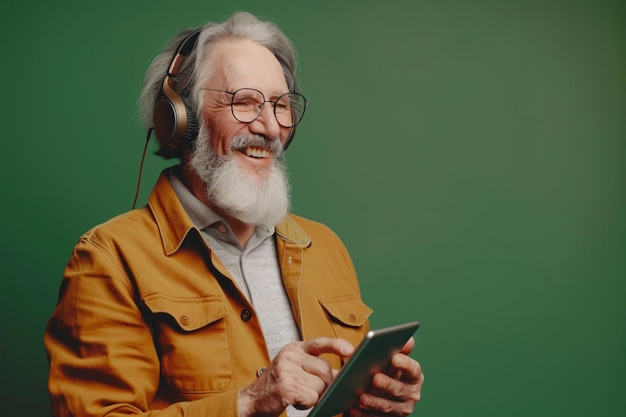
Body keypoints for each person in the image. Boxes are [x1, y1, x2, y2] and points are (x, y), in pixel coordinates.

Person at [44, 11, 424, 417]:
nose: (270, 127)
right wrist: (249, 402)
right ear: (181, 119)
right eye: (244, 102)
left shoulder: (325, 248)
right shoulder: (109, 259)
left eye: (281, 105)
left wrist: (374, 403)